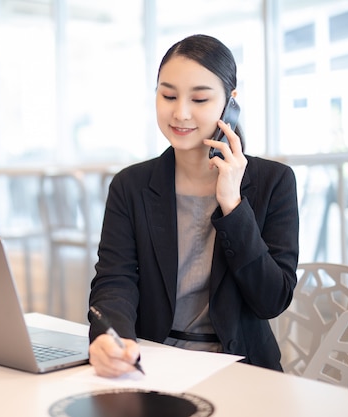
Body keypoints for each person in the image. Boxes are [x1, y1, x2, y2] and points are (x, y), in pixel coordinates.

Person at [87, 34, 299, 376]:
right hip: (153, 361)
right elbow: (115, 280)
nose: (180, 112)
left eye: (199, 99)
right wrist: (110, 337)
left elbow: (271, 300)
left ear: (231, 104)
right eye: (168, 95)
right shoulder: (131, 185)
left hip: (241, 369)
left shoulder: (274, 182)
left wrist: (233, 205)